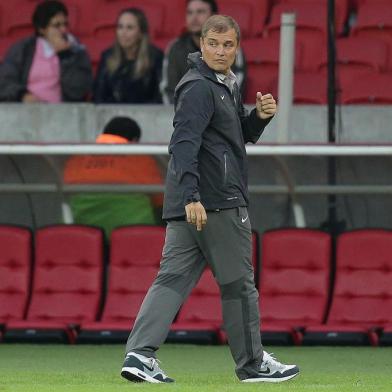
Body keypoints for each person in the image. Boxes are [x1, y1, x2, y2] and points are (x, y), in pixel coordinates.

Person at [121, 15, 300, 384]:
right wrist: (193, 195)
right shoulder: (201, 87)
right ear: (201, 45)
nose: (221, 51)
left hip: (191, 203)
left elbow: (231, 139)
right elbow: (183, 144)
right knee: (239, 283)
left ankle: (139, 355)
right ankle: (252, 364)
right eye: (214, 44)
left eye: (228, 45)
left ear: (237, 48)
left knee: (170, 279)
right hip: (213, 200)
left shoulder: (221, 84)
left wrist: (259, 120)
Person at [63, 116, 164, 239]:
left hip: (83, 233)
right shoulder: (141, 158)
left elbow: (65, 194)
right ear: (134, 140)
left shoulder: (77, 158)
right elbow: (161, 200)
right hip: (135, 236)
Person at [0, 0, 93, 103]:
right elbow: (4, 81)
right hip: (25, 110)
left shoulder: (76, 50)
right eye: (57, 25)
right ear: (41, 29)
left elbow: (78, 91)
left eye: (65, 24)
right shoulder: (23, 49)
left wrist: (65, 56)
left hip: (62, 113)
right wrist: (22, 95)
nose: (63, 30)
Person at [160, 0, 247, 104]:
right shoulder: (175, 48)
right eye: (190, 12)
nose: (194, 18)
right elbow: (168, 90)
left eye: (200, 12)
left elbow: (236, 86)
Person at [94, 8, 163, 103]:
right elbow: (98, 97)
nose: (123, 33)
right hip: (112, 115)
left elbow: (159, 98)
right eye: (120, 27)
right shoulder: (107, 57)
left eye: (129, 28)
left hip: (146, 116)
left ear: (141, 33)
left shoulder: (155, 58)